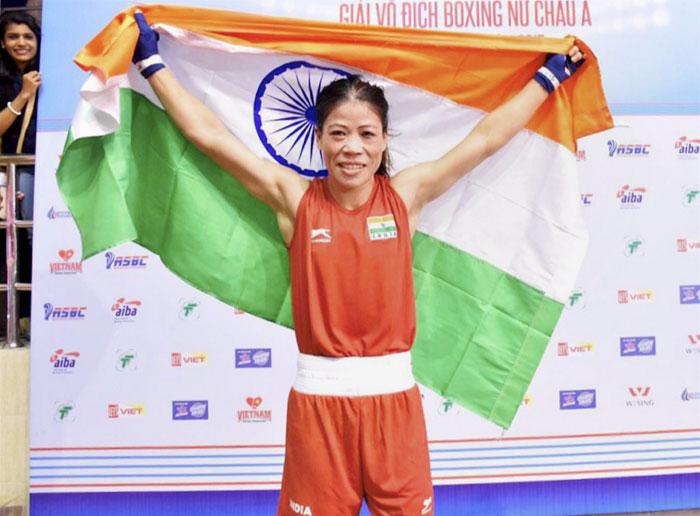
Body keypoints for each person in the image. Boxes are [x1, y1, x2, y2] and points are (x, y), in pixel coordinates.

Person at [132, 12, 583, 515]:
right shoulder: (294, 198)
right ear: (319, 138)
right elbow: (210, 137)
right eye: (340, 133)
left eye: (367, 135)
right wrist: (153, 65)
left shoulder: (407, 196)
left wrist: (546, 79)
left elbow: (484, 139)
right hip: (319, 406)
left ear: (385, 140)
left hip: (394, 405)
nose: (353, 148)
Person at [0, 10, 41, 340]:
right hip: (15, 169)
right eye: (13, 37)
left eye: (28, 36)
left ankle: (39, 312)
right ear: (2, 42)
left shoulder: (53, 71)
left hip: (50, 166)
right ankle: (22, 317)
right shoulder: (3, 80)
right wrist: (23, 95)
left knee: (42, 239)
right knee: (20, 241)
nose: (21, 43)